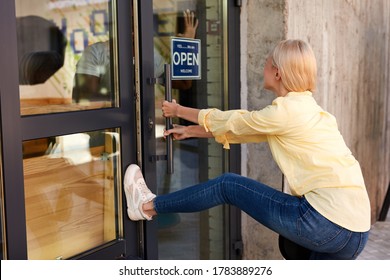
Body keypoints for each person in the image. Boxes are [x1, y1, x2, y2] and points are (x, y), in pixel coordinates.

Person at [123, 39, 371, 260]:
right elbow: (246, 129)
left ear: (277, 72)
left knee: (228, 185)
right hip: (356, 230)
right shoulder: (308, 109)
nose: (262, 68)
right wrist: (190, 131)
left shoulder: (284, 112)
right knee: (292, 248)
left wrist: (179, 111)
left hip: (325, 221)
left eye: (266, 63)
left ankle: (146, 206)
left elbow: (235, 121)